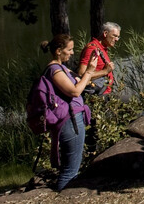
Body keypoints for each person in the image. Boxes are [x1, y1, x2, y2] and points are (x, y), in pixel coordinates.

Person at [41, 34, 110, 191]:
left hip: (73, 119)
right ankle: (64, 196)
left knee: (72, 167)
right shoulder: (55, 71)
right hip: (68, 121)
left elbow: (82, 80)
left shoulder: (63, 68)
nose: (72, 53)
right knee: (70, 171)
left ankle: (66, 193)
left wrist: (93, 69)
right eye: (69, 49)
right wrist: (89, 72)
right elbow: (75, 91)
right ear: (59, 51)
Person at [76, 22, 120, 96]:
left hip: (105, 92)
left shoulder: (102, 48)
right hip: (98, 95)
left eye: (118, 37)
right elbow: (81, 74)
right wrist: (105, 71)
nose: (117, 39)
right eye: (114, 36)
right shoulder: (92, 48)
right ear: (105, 33)